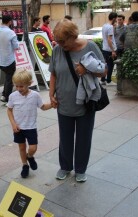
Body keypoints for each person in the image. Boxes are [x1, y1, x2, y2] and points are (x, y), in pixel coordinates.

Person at [49, 20, 107, 182]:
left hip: (86, 103)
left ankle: (81, 169)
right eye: (57, 40)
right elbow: (53, 73)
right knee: (65, 137)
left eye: (62, 41)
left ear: (73, 36)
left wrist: (87, 69)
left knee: (84, 138)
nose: (59, 44)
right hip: (64, 102)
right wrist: (51, 94)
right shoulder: (57, 50)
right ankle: (65, 166)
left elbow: (104, 71)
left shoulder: (90, 47)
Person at [7, 70, 52, 178]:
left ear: (29, 83)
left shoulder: (35, 95)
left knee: (33, 148)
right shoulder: (13, 96)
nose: (18, 89)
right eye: (16, 86)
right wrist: (13, 124)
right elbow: (9, 110)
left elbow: (43, 107)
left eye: (21, 86)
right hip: (18, 128)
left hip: (31, 127)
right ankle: (25, 165)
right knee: (21, 147)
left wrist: (53, 104)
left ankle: (30, 156)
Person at [0, 15, 19, 105]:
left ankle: (4, 95)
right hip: (9, 59)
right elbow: (16, 46)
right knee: (9, 80)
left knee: (7, 79)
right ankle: (7, 98)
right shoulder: (11, 33)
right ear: (10, 22)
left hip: (0, 60)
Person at [101, 12, 117, 86]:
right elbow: (109, 40)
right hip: (109, 49)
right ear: (113, 18)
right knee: (110, 65)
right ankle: (109, 81)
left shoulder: (104, 26)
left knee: (105, 64)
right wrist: (113, 50)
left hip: (104, 48)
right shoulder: (110, 27)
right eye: (116, 19)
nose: (116, 21)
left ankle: (103, 79)